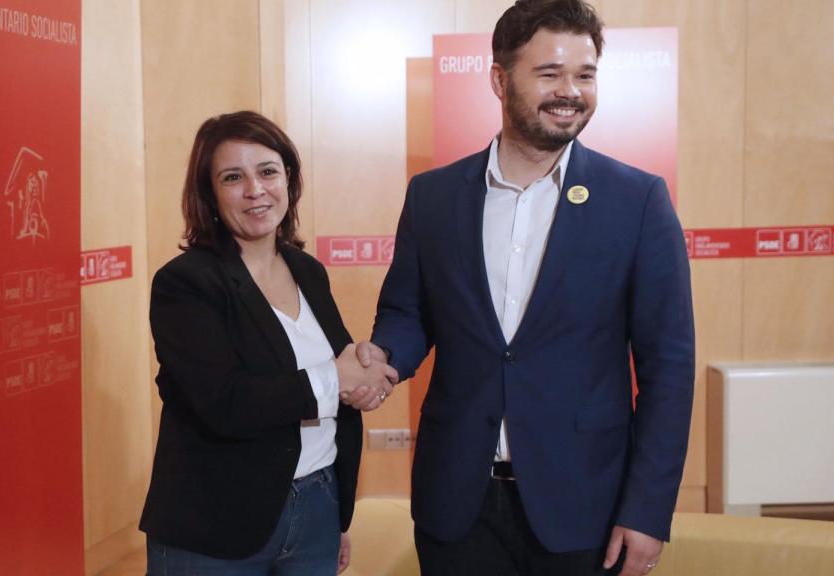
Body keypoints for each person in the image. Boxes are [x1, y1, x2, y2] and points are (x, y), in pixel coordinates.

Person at [354, 1, 695, 574]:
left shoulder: (637, 202)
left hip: (585, 507)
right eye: (549, 74)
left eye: (585, 75)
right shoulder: (433, 197)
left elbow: (669, 368)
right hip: (456, 505)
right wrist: (384, 359)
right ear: (498, 79)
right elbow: (408, 312)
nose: (571, 91)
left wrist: (648, 509)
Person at [140, 110, 397, 575]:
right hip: (216, 524)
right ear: (209, 194)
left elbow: (333, 379)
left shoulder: (308, 271)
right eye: (233, 177)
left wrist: (362, 379)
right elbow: (225, 403)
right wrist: (335, 377)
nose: (255, 190)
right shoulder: (186, 283)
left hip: (316, 506)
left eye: (268, 172)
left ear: (289, 180)